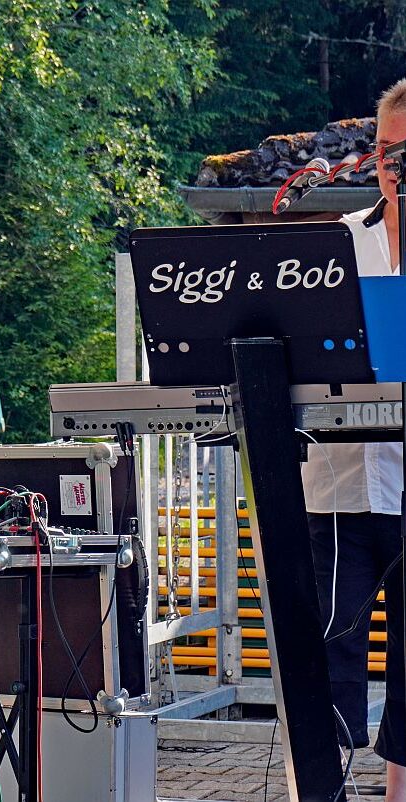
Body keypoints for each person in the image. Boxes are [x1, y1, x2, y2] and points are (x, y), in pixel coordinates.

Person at [302, 78, 406, 802]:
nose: (395, 166)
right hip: (337, 480)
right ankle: (322, 785)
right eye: (387, 150)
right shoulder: (334, 246)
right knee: (326, 644)